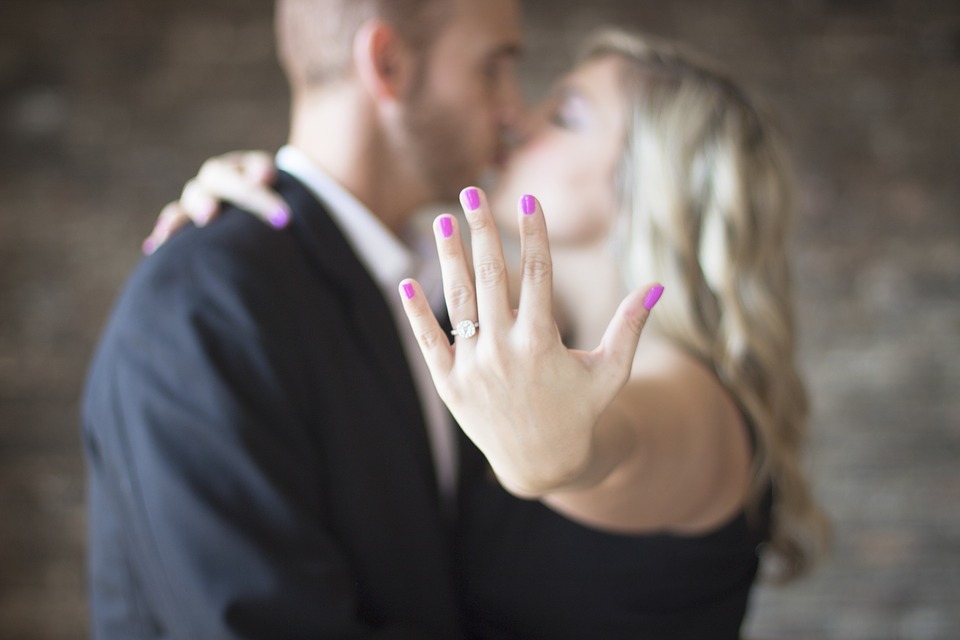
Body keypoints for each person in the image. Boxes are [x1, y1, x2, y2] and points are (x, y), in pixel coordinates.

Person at [151, 30, 831, 639]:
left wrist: (561, 457)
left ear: (649, 186)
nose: (516, 120)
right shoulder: (500, 338)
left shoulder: (693, 405)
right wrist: (265, 198)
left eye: (564, 117)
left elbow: (618, 441)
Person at [81, 0, 532, 637]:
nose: (512, 109)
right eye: (494, 67)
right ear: (387, 63)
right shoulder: (201, 305)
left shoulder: (436, 287)